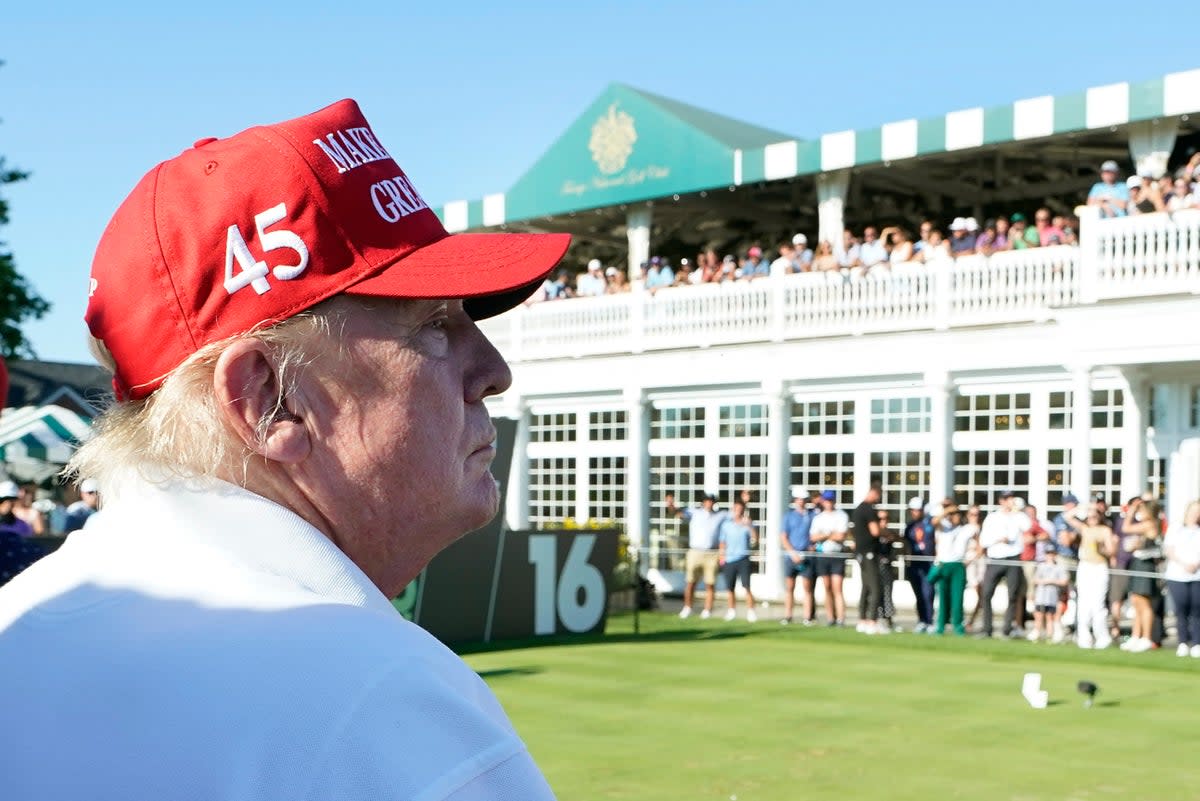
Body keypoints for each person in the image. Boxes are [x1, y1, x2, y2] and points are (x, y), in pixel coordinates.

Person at [0, 99, 570, 799]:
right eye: (433, 326)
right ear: (269, 399)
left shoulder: (17, 628)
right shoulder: (378, 698)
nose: (493, 371)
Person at [667, 491, 728, 620]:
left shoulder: (720, 515)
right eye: (707, 501)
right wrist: (670, 504)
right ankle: (688, 607)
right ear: (703, 502)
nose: (709, 503)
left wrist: (745, 501)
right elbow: (678, 513)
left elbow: (737, 513)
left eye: (711, 501)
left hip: (712, 553)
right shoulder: (695, 512)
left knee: (710, 583)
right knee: (690, 582)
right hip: (695, 551)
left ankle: (707, 610)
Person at [1064, 505, 1118, 649]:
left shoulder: (1105, 530)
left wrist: (1102, 549)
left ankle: (1102, 637)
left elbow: (1112, 550)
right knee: (1083, 603)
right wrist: (1083, 506)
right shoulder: (1084, 528)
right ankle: (1084, 636)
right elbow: (1068, 517)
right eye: (1089, 516)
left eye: (1094, 516)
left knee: (1098, 603)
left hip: (1099, 567)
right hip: (1085, 567)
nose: (1091, 518)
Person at [977, 491, 1026, 638]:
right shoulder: (992, 518)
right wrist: (998, 539)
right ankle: (987, 629)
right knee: (986, 594)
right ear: (1001, 501)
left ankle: (1007, 629)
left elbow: (1028, 526)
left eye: (1011, 498)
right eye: (1007, 498)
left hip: (1013, 558)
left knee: (1012, 595)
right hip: (995, 558)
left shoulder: (1018, 516)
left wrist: (1017, 512)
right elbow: (983, 540)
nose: (1010, 501)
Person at [1119, 498, 1163, 653]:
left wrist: (1130, 512)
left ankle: (1146, 637)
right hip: (1138, 563)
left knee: (1144, 603)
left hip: (1145, 565)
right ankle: (1136, 636)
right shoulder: (1148, 524)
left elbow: (1126, 528)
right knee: (1136, 602)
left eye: (1142, 510)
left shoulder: (1149, 524)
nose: (1139, 512)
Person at [929, 505, 978, 635]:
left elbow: (979, 542)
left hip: (958, 565)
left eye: (956, 514)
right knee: (943, 598)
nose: (953, 517)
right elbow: (934, 522)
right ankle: (940, 626)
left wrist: (971, 558)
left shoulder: (965, 529)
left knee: (958, 598)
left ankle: (957, 626)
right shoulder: (943, 528)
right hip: (944, 565)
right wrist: (946, 511)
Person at [1164, 500, 1200, 658]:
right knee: (1181, 609)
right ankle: (1183, 642)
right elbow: (1169, 550)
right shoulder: (1176, 528)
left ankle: (1197, 642)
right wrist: (1184, 564)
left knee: (1197, 609)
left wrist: (1195, 564)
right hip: (1177, 574)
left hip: (1197, 575)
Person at [809, 489, 849, 626]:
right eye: (826, 500)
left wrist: (824, 535)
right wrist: (828, 535)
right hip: (823, 555)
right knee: (827, 587)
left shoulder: (841, 515)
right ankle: (831, 617)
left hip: (837, 555)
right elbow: (813, 537)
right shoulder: (818, 518)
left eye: (830, 500)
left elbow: (840, 536)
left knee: (837, 587)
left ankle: (841, 618)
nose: (828, 503)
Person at [779, 488, 817, 625]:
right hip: (791, 556)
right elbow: (783, 537)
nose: (801, 502)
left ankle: (807, 617)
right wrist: (792, 553)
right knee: (789, 587)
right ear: (795, 500)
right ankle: (788, 616)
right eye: (799, 499)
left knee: (808, 588)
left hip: (806, 556)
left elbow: (815, 534)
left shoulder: (811, 515)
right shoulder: (788, 516)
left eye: (803, 499)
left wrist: (813, 546)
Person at [851, 485, 884, 634]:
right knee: (875, 587)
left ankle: (862, 620)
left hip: (860, 553)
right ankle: (872, 621)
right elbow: (875, 531)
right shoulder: (869, 509)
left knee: (865, 587)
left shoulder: (858, 509)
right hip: (869, 553)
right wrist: (884, 526)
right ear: (874, 493)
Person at [718, 500, 757, 622]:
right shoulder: (726, 524)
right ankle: (731, 610)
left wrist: (750, 526)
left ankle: (751, 611)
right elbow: (722, 542)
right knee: (730, 587)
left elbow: (755, 540)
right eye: (736, 508)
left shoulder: (747, 524)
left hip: (743, 558)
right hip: (729, 559)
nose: (738, 511)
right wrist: (722, 557)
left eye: (740, 509)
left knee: (747, 586)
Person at [903, 497, 935, 633]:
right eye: (913, 510)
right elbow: (906, 545)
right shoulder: (909, 526)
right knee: (919, 595)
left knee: (928, 593)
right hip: (914, 566)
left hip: (928, 564)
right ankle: (921, 620)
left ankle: (929, 621)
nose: (915, 513)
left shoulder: (930, 523)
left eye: (918, 510)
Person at [1031, 544, 1068, 643]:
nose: (1050, 556)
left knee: (1049, 616)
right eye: (1048, 553)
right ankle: (1037, 634)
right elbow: (1035, 579)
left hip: (1052, 596)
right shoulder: (1041, 566)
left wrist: (1051, 581)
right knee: (1038, 615)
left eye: (1052, 553)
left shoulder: (1059, 567)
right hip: (1041, 595)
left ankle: (1049, 636)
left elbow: (1064, 581)